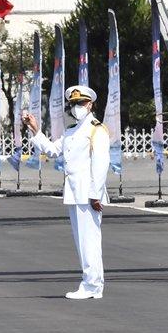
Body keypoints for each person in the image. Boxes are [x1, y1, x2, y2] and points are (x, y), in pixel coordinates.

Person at [23, 84, 110, 300]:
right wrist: (35, 129)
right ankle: (91, 284)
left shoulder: (96, 129)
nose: (76, 107)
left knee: (89, 240)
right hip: (74, 192)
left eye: (80, 103)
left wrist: (95, 194)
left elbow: (100, 163)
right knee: (82, 241)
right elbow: (53, 151)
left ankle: (92, 285)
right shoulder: (72, 131)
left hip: (88, 193)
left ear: (89, 104)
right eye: (73, 104)